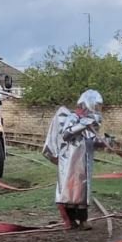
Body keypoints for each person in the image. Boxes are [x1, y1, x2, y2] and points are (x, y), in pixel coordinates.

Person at [43, 89, 104, 230]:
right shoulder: (72, 117)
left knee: (82, 193)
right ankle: (72, 221)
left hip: (84, 161)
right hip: (70, 161)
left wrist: (103, 141)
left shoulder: (87, 120)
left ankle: (83, 221)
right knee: (70, 191)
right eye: (96, 105)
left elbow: (90, 138)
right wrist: (84, 123)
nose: (97, 109)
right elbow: (66, 134)